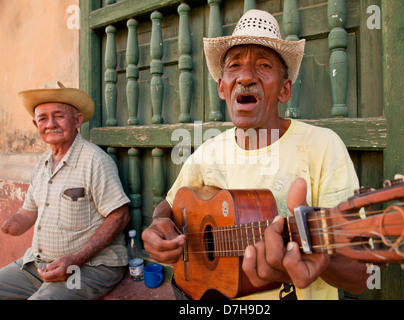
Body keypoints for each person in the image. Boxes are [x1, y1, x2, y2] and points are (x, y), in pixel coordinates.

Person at [142, 9, 368, 299]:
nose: (246, 77)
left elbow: (359, 276)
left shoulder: (323, 147)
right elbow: (170, 205)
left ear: (285, 89)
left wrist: (320, 258)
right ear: (222, 87)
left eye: (263, 65)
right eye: (234, 66)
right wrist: (158, 222)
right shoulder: (206, 153)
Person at [0, 81, 131, 300]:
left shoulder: (95, 161)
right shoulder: (42, 163)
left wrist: (75, 259)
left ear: (77, 120)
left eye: (59, 116)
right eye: (43, 118)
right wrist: (7, 225)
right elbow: (27, 212)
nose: (50, 124)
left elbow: (120, 215)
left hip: (90, 266)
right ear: (36, 124)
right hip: (40, 265)